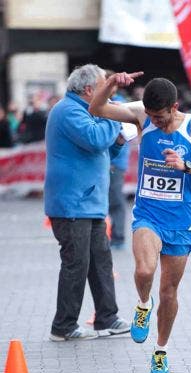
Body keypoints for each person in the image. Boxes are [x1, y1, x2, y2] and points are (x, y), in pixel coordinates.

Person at [89, 72, 191, 373]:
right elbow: (96, 109)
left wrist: (186, 166)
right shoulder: (142, 115)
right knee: (144, 271)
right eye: (151, 117)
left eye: (161, 118)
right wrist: (110, 84)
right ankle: (141, 304)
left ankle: (161, 352)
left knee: (169, 292)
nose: (156, 123)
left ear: (175, 107)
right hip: (147, 213)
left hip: (179, 221)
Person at [44, 64, 130, 341]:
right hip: (72, 203)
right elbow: (94, 140)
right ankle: (63, 326)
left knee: (100, 262)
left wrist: (117, 140)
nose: (108, 96)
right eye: (104, 88)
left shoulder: (86, 110)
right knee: (77, 264)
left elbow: (106, 146)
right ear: (90, 90)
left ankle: (107, 318)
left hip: (88, 202)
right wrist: (115, 118)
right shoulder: (69, 111)